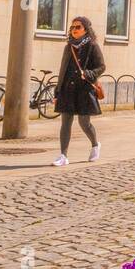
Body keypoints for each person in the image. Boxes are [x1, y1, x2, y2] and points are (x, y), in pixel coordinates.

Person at [52, 16, 105, 165]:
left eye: (78, 27)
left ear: (86, 29)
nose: (74, 30)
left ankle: (95, 144)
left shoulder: (92, 46)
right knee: (65, 122)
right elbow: (62, 69)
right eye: (72, 27)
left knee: (84, 122)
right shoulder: (68, 47)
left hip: (84, 90)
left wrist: (88, 74)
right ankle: (63, 156)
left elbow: (101, 67)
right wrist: (58, 90)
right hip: (68, 89)